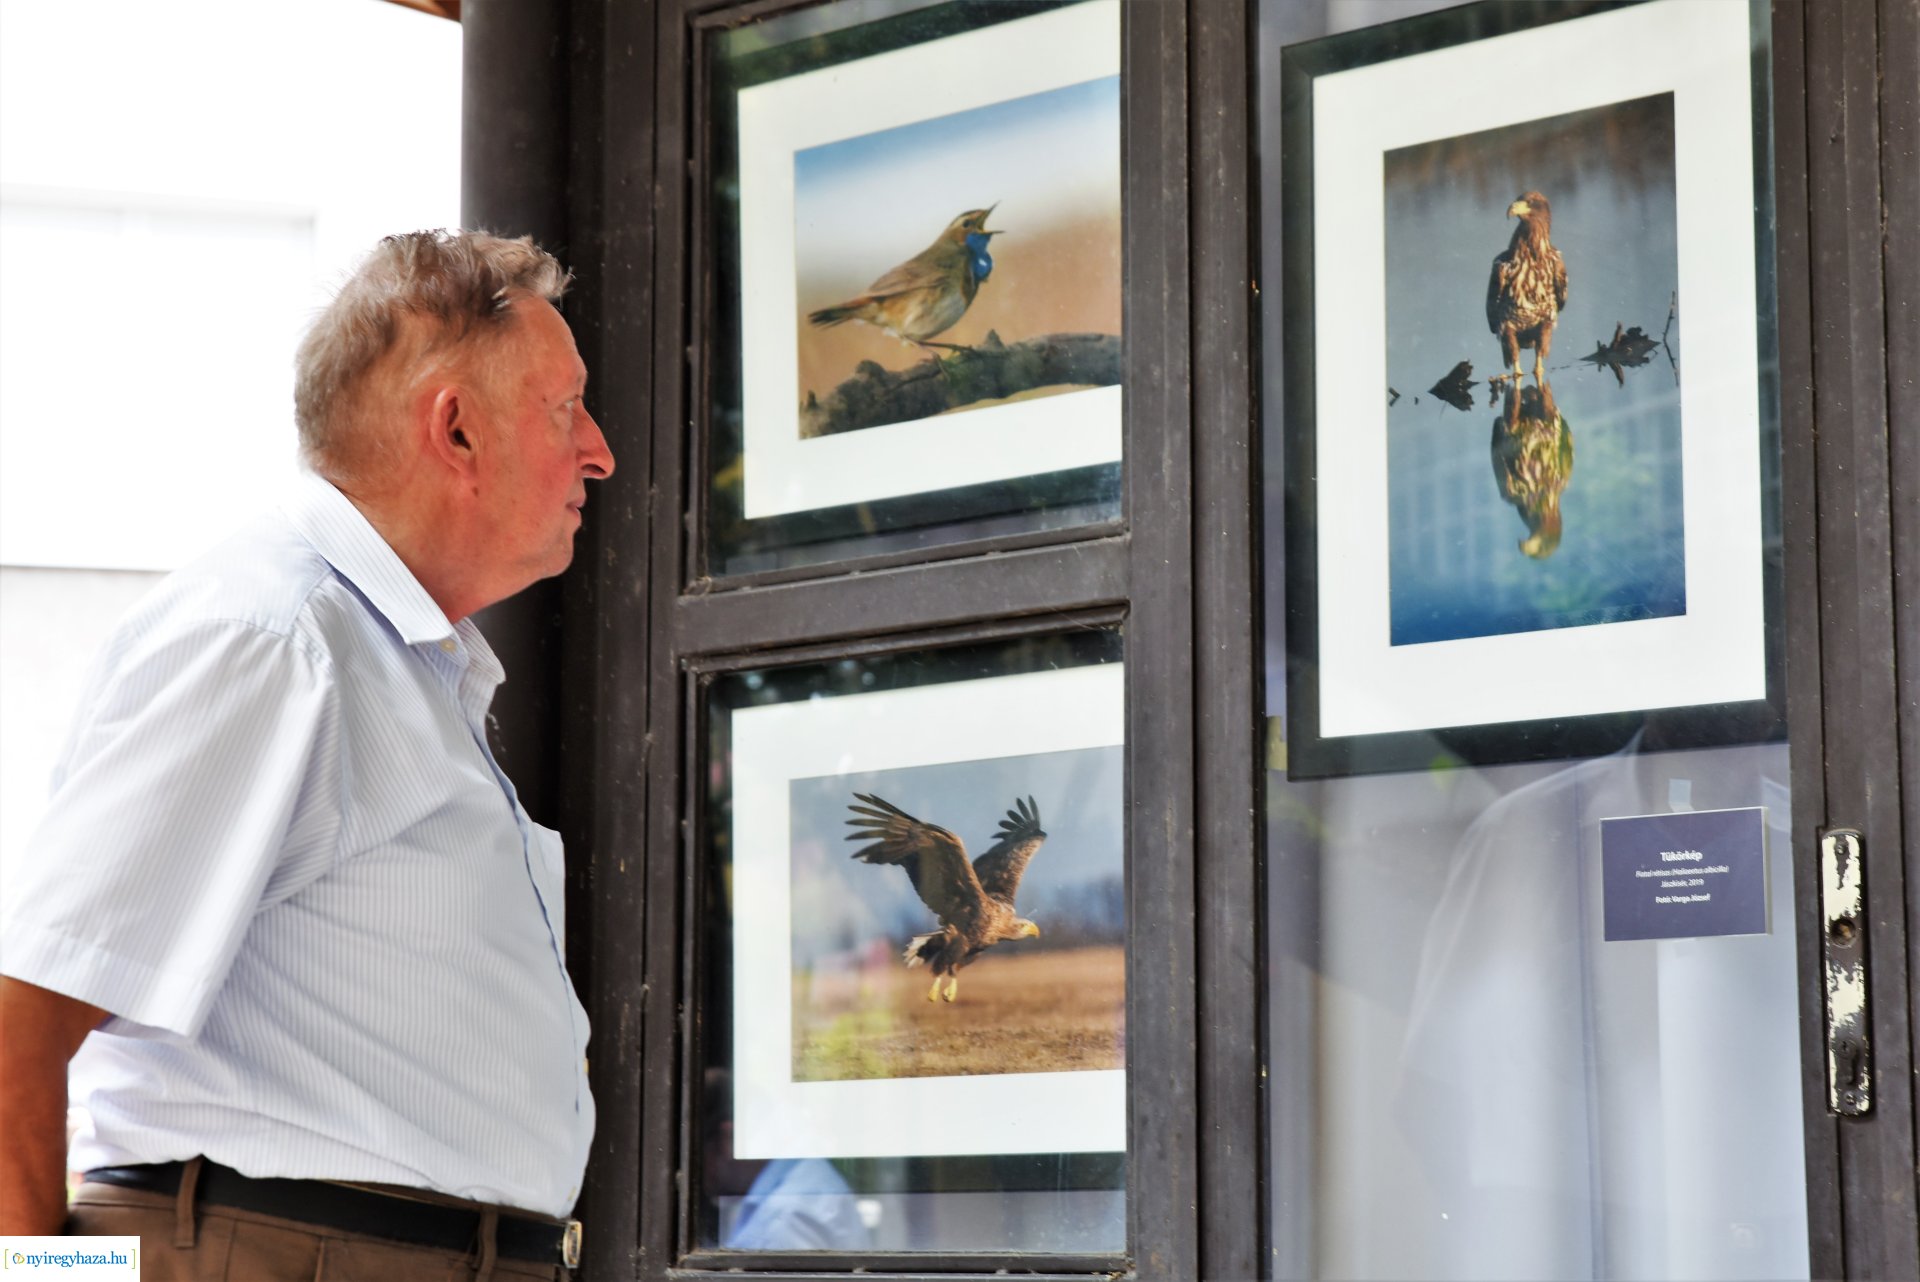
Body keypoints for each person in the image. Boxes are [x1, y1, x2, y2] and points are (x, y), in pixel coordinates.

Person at [0, 230, 613, 1280]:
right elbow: (22, 1016)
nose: (598, 451)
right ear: (456, 429)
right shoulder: (275, 638)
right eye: (566, 409)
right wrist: (48, 1280)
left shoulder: (366, 651)